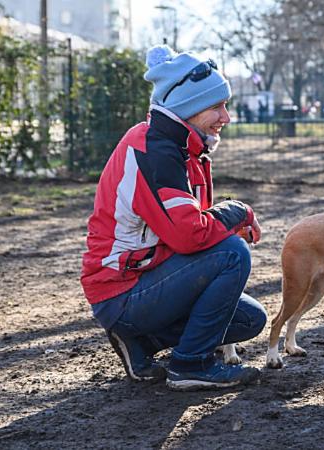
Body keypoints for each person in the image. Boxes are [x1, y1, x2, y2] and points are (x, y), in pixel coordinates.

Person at [81, 45, 267, 390]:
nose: (226, 117)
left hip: (141, 282)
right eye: (216, 106)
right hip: (121, 292)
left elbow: (191, 228)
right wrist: (238, 212)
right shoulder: (156, 151)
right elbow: (189, 235)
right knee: (232, 255)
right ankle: (190, 365)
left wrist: (222, 229)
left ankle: (140, 343)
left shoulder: (182, 146)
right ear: (188, 107)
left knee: (249, 319)